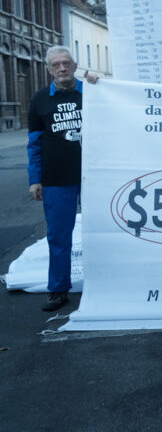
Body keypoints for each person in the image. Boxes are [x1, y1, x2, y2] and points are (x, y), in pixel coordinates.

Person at [27, 46, 94, 312]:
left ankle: (106, 283)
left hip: (93, 176)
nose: (62, 68)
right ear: (49, 70)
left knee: (101, 231)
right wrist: (35, 179)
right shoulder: (40, 99)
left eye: (66, 63)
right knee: (58, 235)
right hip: (56, 179)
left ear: (75, 66)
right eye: (56, 65)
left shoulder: (92, 91)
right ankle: (57, 289)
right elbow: (34, 143)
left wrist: (100, 82)